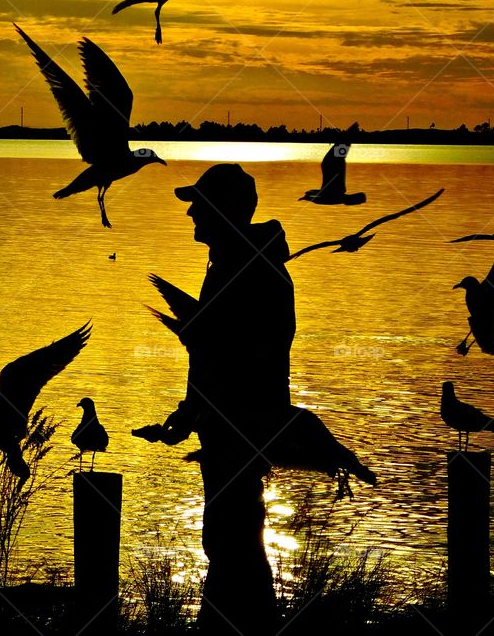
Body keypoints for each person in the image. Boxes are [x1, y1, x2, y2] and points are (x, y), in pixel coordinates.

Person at [138, 163, 296, 635]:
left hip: (241, 429)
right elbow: (213, 355)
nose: (191, 214)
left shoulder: (252, 271)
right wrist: (188, 415)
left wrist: (208, 409)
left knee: (233, 537)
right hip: (226, 425)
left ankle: (236, 632)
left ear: (226, 211)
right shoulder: (231, 265)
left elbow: (245, 359)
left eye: (200, 206)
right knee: (231, 536)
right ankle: (237, 627)